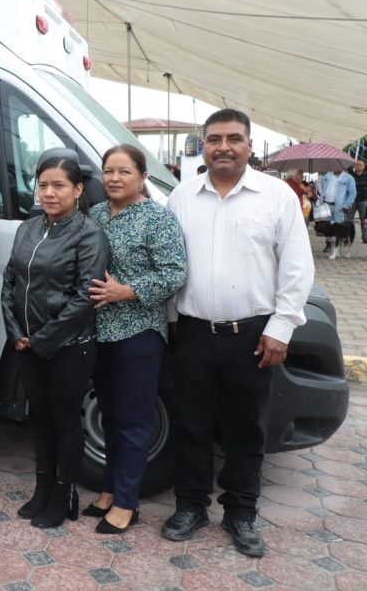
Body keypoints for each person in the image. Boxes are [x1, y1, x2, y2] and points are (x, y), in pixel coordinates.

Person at [162, 109, 313, 558]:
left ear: (250, 146)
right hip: (192, 333)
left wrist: (281, 327)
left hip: (252, 336)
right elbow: (172, 266)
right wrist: (171, 322)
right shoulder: (182, 197)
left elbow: (297, 267)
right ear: (202, 146)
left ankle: (241, 514)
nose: (223, 146)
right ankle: (190, 507)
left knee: (246, 430)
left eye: (233, 138)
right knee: (190, 426)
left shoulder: (276, 197)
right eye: (214, 139)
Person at [1, 152, 108, 528]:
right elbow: (10, 281)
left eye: (59, 185)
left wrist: (43, 339)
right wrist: (16, 333)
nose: (49, 193)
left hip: (69, 346)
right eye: (43, 185)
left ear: (78, 189)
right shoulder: (28, 228)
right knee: (40, 420)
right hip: (28, 344)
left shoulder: (89, 234)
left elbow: (86, 297)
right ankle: (42, 487)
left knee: (65, 422)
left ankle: (64, 494)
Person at [85, 145, 187, 533]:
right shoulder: (95, 215)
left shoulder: (157, 219)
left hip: (138, 332)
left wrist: (125, 291)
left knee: (133, 419)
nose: (113, 178)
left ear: (142, 177)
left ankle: (127, 502)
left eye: (124, 172)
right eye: (108, 171)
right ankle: (110, 490)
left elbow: (175, 273)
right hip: (99, 332)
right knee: (109, 415)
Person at [319, 162, 357, 252]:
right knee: (326, 227)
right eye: (334, 165)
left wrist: (347, 205)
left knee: (338, 228)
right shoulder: (327, 176)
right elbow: (322, 187)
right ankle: (328, 245)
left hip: (339, 207)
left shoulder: (348, 178)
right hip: (326, 205)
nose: (335, 167)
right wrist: (321, 198)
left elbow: (353, 193)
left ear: (343, 167)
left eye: (338, 166)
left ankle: (337, 248)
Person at [351, 160, 367, 242]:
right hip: (351, 201)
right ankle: (349, 236)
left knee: (364, 220)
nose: (358, 166)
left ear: (364, 166)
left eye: (360, 165)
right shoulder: (350, 176)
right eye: (356, 165)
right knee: (349, 220)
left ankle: (365, 237)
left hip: (363, 201)